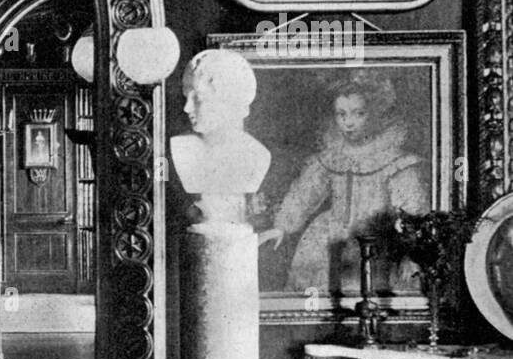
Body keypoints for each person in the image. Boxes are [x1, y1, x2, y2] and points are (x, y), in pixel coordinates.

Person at [260, 74, 428, 294]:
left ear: (375, 114)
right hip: (328, 240)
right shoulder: (331, 157)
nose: (348, 122)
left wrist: (412, 254)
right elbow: (305, 194)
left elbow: (412, 211)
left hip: (375, 240)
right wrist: (281, 226)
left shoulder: (396, 161)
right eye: (342, 114)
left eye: (358, 114)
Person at [170, 49, 271, 225]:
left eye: (198, 98)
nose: (186, 108)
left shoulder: (258, 156)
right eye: (187, 97)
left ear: (228, 100)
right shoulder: (179, 149)